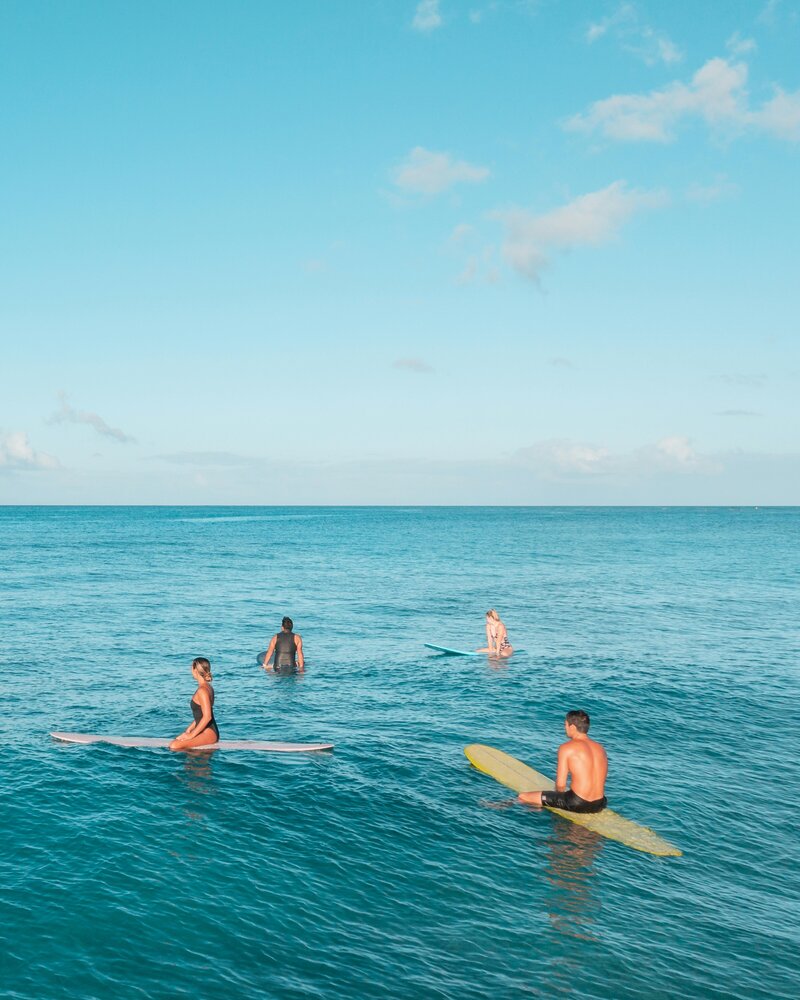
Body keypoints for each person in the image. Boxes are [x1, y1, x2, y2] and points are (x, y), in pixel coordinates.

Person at [518, 710, 608, 813]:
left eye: (565, 725)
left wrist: (555, 799)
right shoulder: (600, 748)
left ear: (572, 727)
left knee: (523, 797)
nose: (564, 728)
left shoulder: (566, 748)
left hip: (577, 803)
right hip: (600, 803)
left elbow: (561, 785)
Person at [169, 657, 220, 750]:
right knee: (177, 740)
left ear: (195, 670)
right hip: (205, 730)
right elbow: (200, 715)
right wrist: (189, 729)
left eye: (191, 668)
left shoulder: (203, 690)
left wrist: (191, 735)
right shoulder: (208, 687)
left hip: (209, 732)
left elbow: (207, 717)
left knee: (174, 745)